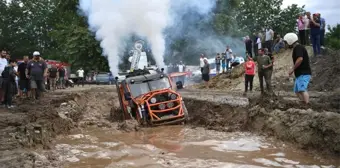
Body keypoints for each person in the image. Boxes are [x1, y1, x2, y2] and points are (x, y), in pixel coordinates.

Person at [284, 33, 312, 104]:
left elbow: (300, 59)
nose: (286, 44)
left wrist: (292, 69)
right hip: (300, 74)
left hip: (304, 73)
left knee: (302, 90)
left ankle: (307, 104)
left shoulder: (298, 48)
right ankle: (304, 103)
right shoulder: (297, 48)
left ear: (290, 41)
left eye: (286, 42)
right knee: (297, 91)